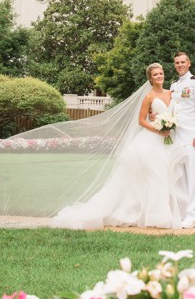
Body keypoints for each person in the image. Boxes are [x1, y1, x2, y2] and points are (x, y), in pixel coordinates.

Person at [45, 63, 186, 229]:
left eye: (161, 73)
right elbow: (141, 121)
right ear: (150, 78)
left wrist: (169, 125)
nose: (159, 76)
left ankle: (167, 213)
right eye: (155, 74)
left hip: (168, 140)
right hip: (153, 139)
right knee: (156, 174)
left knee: (167, 174)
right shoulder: (148, 97)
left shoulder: (172, 93)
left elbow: (177, 112)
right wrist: (158, 129)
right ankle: (155, 216)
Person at [170, 51, 195, 228]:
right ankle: (188, 212)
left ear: (189, 63)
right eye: (177, 62)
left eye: (183, 62)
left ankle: (192, 217)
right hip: (178, 136)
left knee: (194, 178)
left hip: (193, 136)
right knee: (182, 178)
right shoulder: (174, 85)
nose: (180, 65)